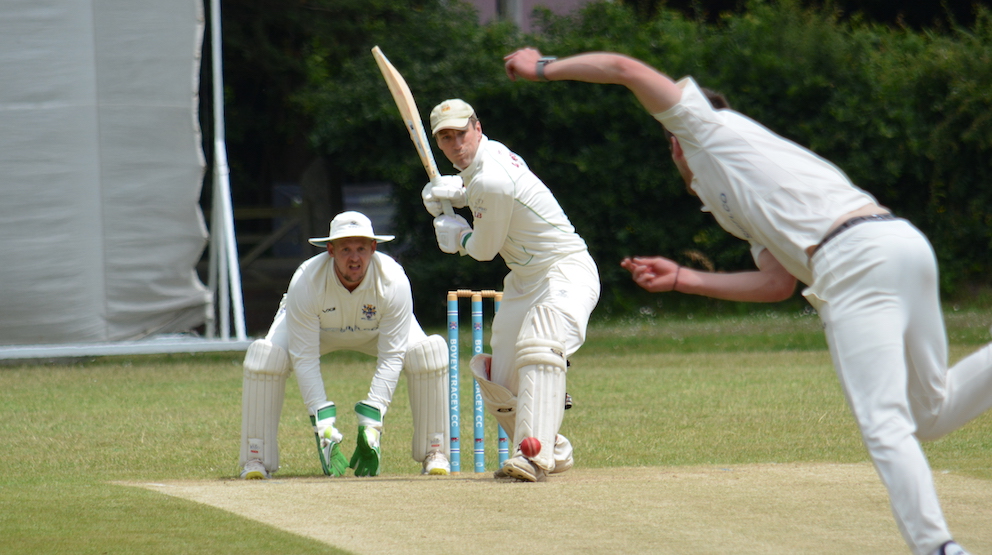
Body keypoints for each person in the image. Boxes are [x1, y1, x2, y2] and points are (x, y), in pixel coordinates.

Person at [503, 48, 992, 554]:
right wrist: (683, 280)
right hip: (902, 246)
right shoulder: (728, 200)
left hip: (852, 261)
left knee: (884, 423)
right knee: (929, 414)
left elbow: (627, 70)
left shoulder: (707, 130)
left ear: (675, 144)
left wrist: (542, 67)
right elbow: (777, 283)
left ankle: (938, 547)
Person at [422, 98, 601, 482]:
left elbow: (484, 249)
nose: (456, 145)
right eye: (446, 138)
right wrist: (452, 191)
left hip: (565, 270)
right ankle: (551, 446)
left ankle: (532, 454)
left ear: (477, 127)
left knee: (541, 341)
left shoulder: (492, 176)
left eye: (461, 133)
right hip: (524, 280)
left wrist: (458, 237)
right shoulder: (486, 161)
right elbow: (477, 187)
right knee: (501, 378)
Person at [239, 210, 451, 479]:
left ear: (373, 248)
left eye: (361, 248)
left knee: (428, 354)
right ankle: (255, 457)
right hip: (316, 330)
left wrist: (372, 421)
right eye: (346, 249)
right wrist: (323, 427)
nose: (354, 258)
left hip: (376, 332)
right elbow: (304, 357)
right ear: (330, 250)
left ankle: (435, 452)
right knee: (265, 359)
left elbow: (392, 355)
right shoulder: (306, 280)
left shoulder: (394, 280)